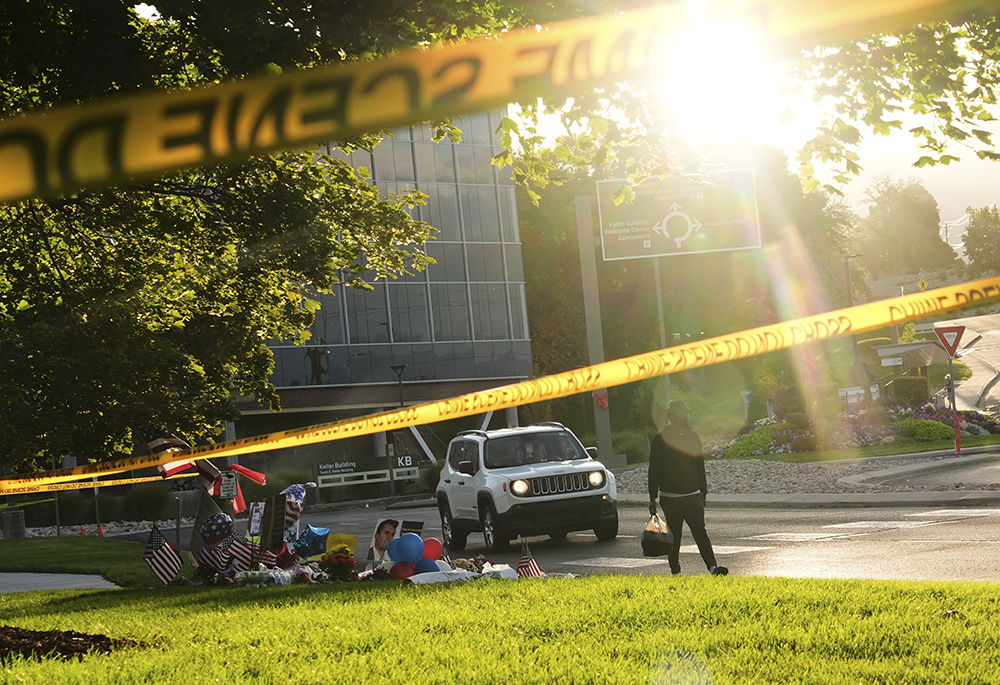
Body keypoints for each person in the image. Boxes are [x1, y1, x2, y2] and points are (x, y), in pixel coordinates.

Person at [647, 400, 728, 577]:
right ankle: (675, 571)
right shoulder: (660, 440)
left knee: (701, 532)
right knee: (674, 537)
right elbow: (654, 470)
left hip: (693, 495)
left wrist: (703, 491)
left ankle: (713, 568)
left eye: (687, 414)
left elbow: (699, 464)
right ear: (673, 416)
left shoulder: (693, 437)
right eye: (684, 414)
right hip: (670, 497)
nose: (687, 417)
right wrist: (652, 497)